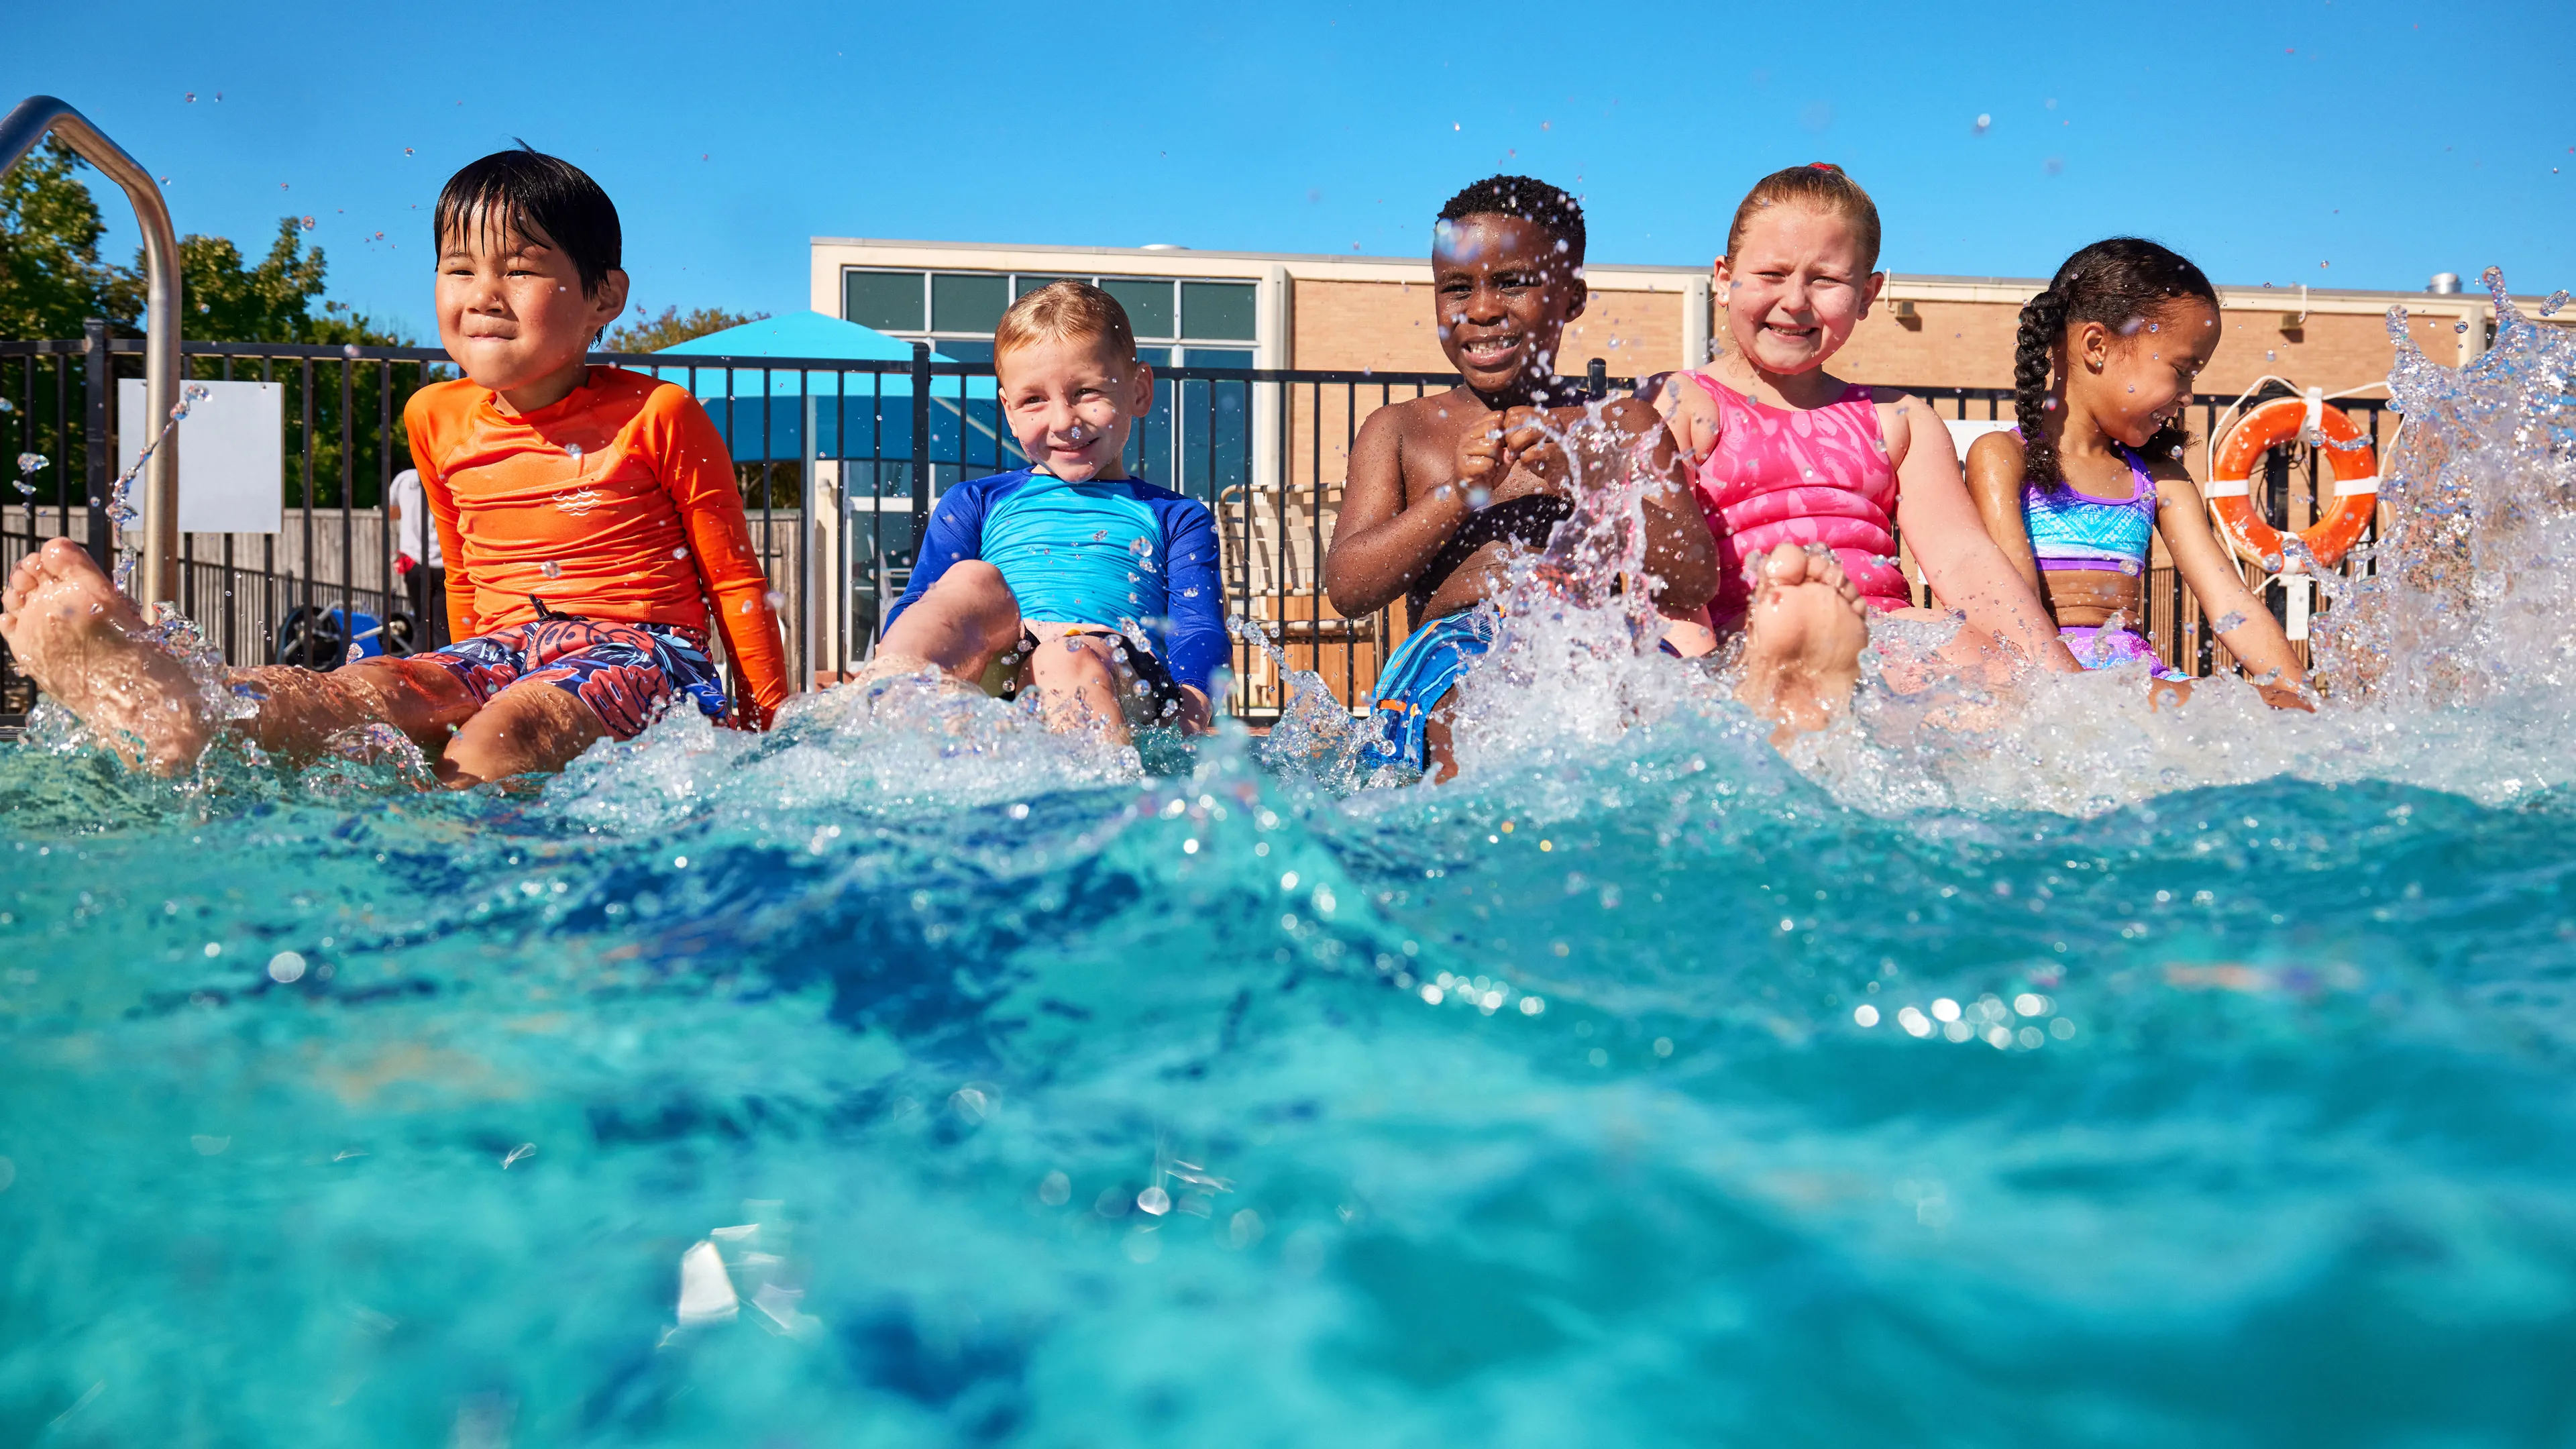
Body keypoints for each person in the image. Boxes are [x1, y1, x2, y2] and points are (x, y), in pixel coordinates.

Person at [0, 147, 790, 784]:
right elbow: (466, 576)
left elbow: (734, 585)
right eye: (458, 268)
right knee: (376, 687)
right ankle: (189, 706)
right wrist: (459, 677)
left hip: (644, 650)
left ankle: (464, 863)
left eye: (519, 268)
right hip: (509, 644)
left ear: (603, 297)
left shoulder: (660, 415)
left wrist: (765, 728)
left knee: (502, 736)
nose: (484, 294)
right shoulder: (434, 416)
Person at [1323, 176, 1721, 780]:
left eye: (1512, 283)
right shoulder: (1400, 429)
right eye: (1457, 288)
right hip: (1455, 653)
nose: (1481, 309)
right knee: (1471, 713)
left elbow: (1693, 579)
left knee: (1655, 717)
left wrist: (1588, 480)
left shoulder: (1620, 423)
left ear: (1572, 298)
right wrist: (1454, 497)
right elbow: (1349, 589)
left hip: (1596, 638)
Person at [1645, 163, 2082, 694]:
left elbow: (1966, 560)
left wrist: (2066, 687)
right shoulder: (1681, 403)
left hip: (1886, 645)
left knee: (1970, 655)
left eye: (1825, 279)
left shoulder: (1899, 420)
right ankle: (1808, 631)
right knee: (1781, 632)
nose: (1795, 300)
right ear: (1722, 279)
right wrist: (1694, 693)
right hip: (1755, 643)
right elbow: (1670, 574)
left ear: (1869, 294)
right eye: (1771, 274)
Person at [859, 280, 1223, 744]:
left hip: (1109, 670)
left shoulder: (1176, 516)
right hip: (1000, 665)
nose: (1063, 421)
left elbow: (1198, 625)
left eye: (1087, 392)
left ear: (1139, 390)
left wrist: (1192, 704)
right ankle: (890, 699)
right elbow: (919, 606)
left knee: (1064, 656)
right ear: (1008, 411)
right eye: (1035, 400)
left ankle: (1100, 796)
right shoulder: (975, 502)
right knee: (972, 580)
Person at [1964, 237, 2310, 706]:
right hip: (2047, 685)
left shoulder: (2160, 479)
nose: (2188, 395)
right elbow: (2017, 619)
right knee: (2224, 706)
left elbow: (2232, 603)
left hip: (2137, 687)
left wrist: (2297, 692)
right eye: (2182, 369)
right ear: (2097, 346)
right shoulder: (2004, 459)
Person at [387, 466, 448, 649]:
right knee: (442, 625)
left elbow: (391, 513)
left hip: (414, 559)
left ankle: (420, 665)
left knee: (422, 621)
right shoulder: (445, 476)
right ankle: (444, 666)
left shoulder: (404, 479)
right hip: (445, 560)